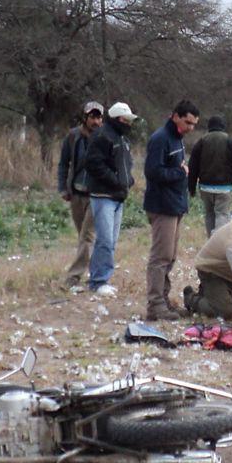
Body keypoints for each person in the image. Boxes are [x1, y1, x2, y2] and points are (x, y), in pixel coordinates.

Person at [143, 99, 200, 320]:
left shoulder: (177, 139)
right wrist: (181, 173)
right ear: (175, 116)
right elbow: (153, 172)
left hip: (176, 205)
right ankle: (155, 305)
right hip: (162, 206)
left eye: (194, 124)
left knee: (171, 256)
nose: (191, 128)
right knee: (160, 257)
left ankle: (164, 300)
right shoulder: (160, 139)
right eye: (188, 122)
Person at [84, 102, 138, 295]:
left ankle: (102, 277)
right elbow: (94, 164)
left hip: (118, 197)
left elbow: (126, 165)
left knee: (112, 240)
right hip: (103, 196)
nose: (129, 124)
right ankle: (98, 281)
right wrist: (116, 181)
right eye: (126, 120)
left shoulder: (122, 139)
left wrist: (128, 181)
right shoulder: (101, 136)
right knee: (105, 240)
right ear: (117, 119)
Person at [56, 101, 104, 288]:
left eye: (98, 117)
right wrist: (63, 188)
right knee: (83, 235)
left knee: (87, 236)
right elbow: (63, 163)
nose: (95, 121)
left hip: (96, 194)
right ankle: (96, 273)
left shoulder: (105, 138)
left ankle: (73, 277)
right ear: (85, 117)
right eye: (92, 117)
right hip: (76, 193)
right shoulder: (73, 136)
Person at [188, 115, 232, 237]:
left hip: (205, 187)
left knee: (209, 214)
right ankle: (218, 242)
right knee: (222, 214)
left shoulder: (201, 142)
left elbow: (193, 167)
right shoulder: (231, 141)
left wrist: (191, 187)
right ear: (223, 126)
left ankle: (211, 241)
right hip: (224, 188)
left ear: (209, 126)